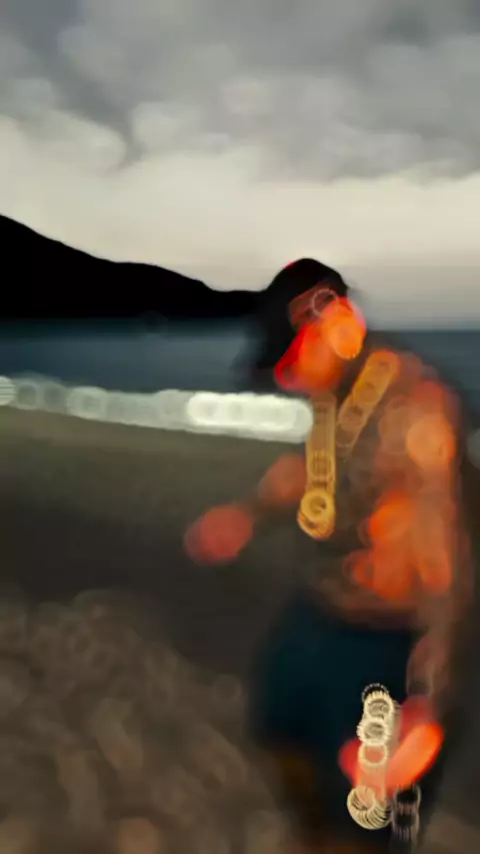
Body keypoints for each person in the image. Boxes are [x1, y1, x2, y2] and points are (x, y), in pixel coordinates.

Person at [185, 260, 473, 852]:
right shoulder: (336, 394)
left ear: (334, 317)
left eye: (293, 361)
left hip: (387, 636)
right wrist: (245, 514)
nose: (288, 379)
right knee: (278, 723)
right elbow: (310, 468)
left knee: (370, 811)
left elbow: (448, 563)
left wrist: (429, 704)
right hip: (319, 607)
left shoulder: (418, 408)